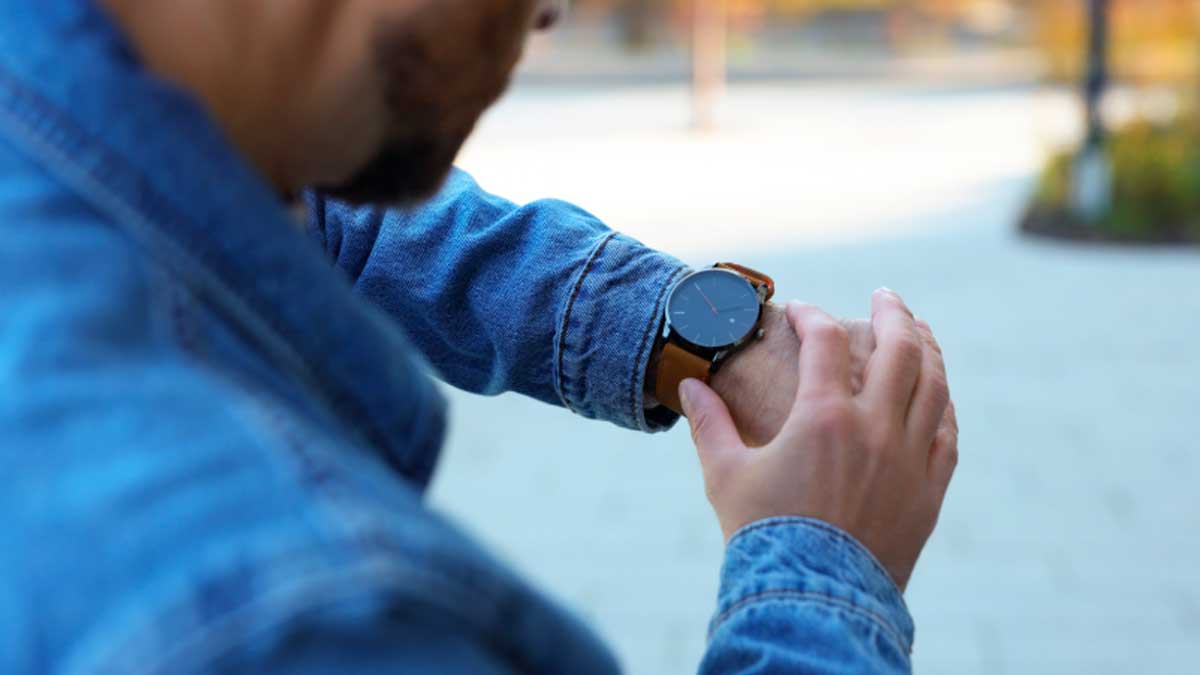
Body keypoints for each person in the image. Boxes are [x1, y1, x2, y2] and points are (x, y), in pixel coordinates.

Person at [0, 0, 958, 673]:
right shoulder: (303, 618)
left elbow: (316, 209)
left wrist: (709, 336)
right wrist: (823, 564)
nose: (549, 13)